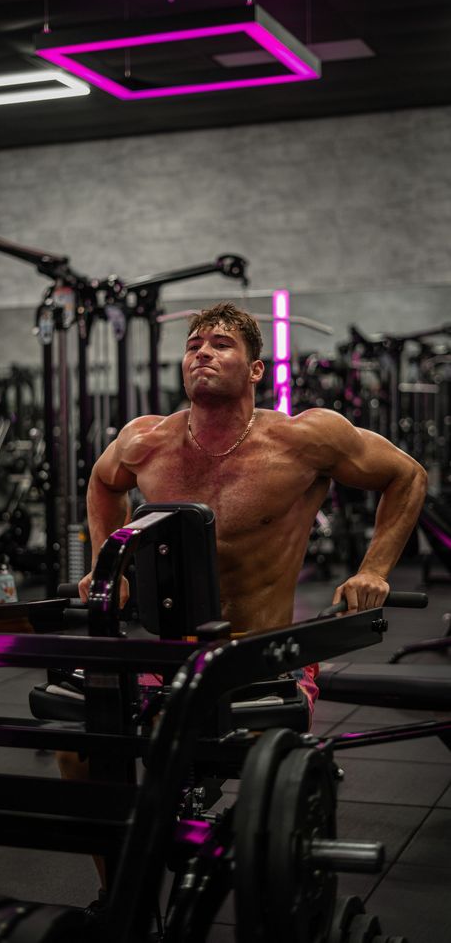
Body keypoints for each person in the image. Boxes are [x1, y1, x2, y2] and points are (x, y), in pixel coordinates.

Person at [62, 301, 427, 921]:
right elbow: (103, 483)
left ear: (256, 368)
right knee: (84, 749)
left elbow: (408, 476)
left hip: (262, 659)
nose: (202, 352)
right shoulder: (144, 440)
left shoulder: (306, 437)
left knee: (264, 793)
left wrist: (373, 570)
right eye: (195, 344)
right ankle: (120, 902)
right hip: (166, 653)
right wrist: (105, 563)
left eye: (221, 345)